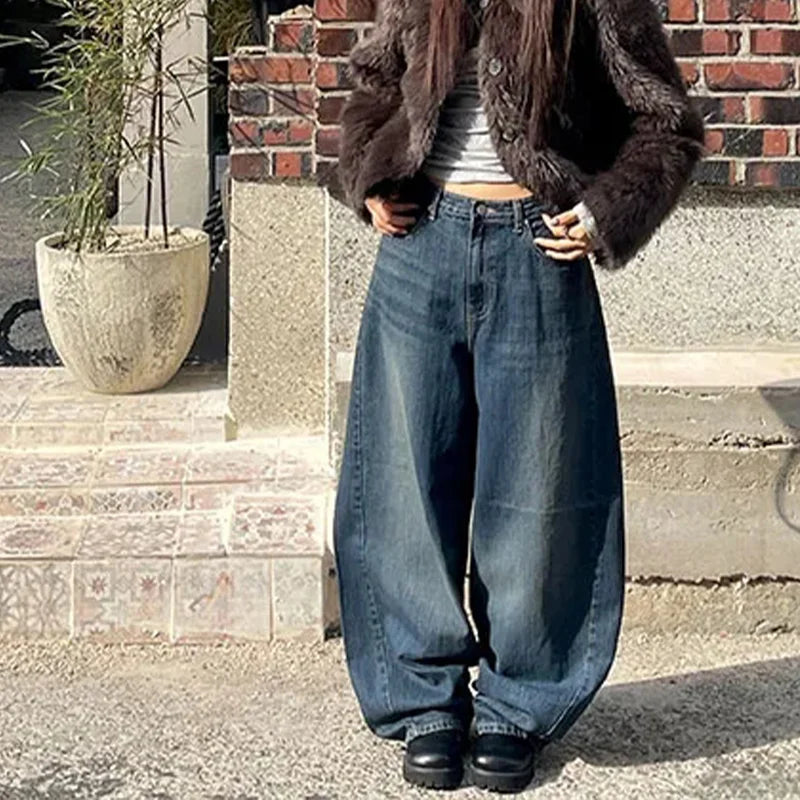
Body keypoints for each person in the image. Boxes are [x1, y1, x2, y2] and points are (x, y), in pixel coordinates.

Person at [324, 0, 706, 792]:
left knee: (539, 489)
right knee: (402, 485)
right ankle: (424, 701)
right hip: (419, 245)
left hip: (537, 251)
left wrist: (606, 212)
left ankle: (517, 703)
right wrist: (367, 178)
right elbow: (374, 82)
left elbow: (667, 123)